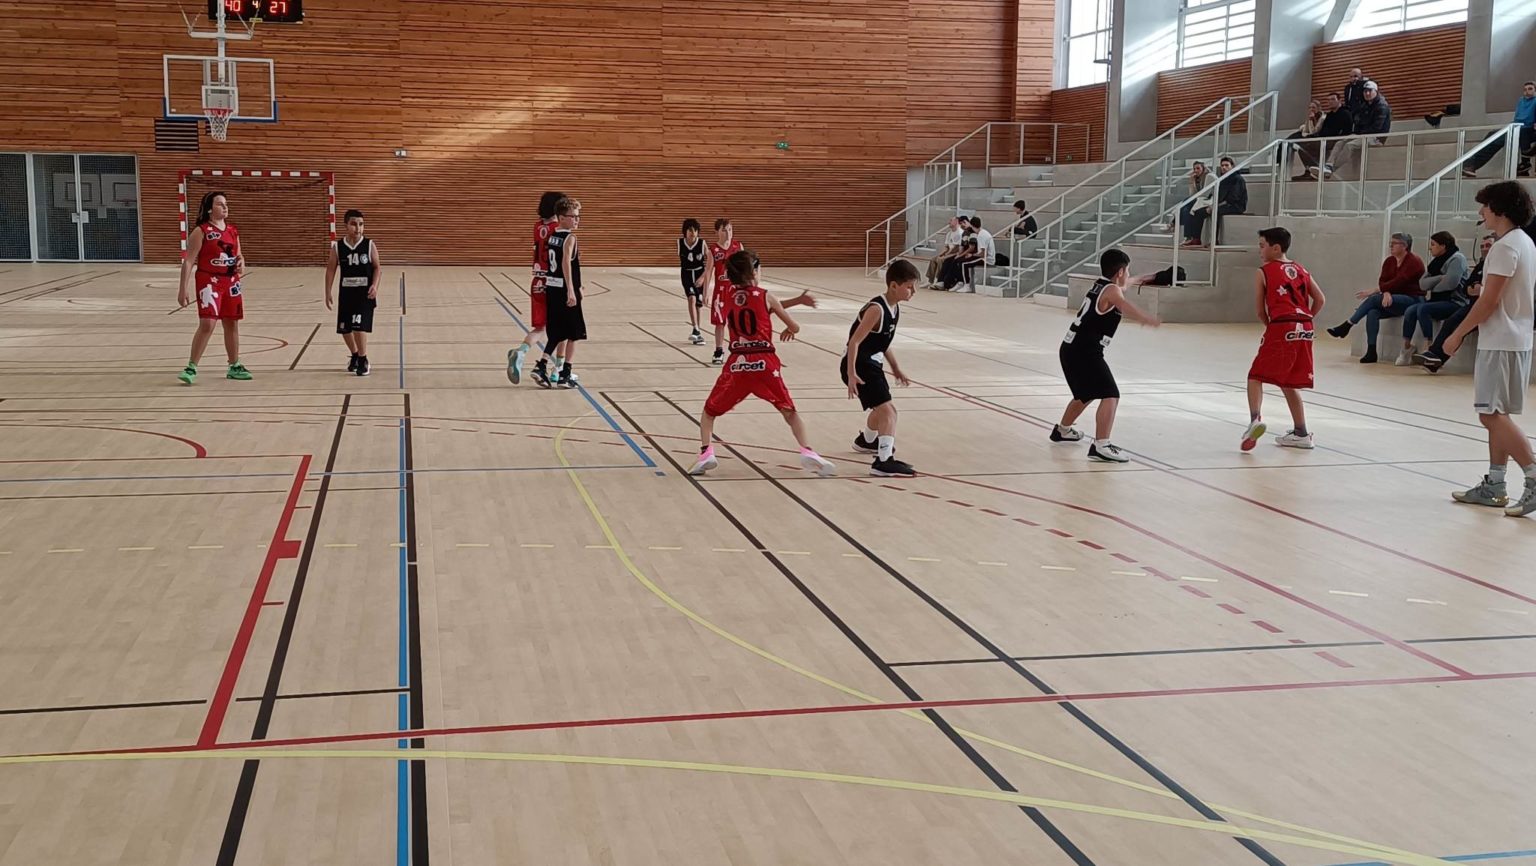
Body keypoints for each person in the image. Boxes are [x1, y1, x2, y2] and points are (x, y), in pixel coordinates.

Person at [689, 249, 836, 478]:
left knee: (709, 413)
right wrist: (791, 325)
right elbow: (789, 322)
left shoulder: (728, 296)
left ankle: (706, 453)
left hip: (737, 363)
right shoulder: (766, 296)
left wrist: (795, 301)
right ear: (753, 272)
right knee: (789, 412)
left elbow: (757, 306)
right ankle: (808, 451)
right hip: (765, 363)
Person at [1442, 181, 1536, 516]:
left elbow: (1488, 301)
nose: (1481, 211)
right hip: (1517, 339)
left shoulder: (1505, 247)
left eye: (1485, 205)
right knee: (1497, 415)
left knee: (1489, 414)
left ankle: (1533, 473)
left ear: (1500, 209)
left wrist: (1457, 334)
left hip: (1500, 341)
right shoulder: (1524, 242)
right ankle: (1495, 485)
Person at [1051, 248, 1161, 464]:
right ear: (1120, 272)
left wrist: (1145, 278)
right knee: (1111, 394)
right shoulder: (1112, 291)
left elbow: (1123, 287)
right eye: (1128, 271)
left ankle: (1062, 430)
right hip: (1085, 351)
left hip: (1071, 348)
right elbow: (1124, 304)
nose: (1129, 275)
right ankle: (1101, 445)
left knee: (1086, 393)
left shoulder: (1102, 285)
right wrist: (1145, 318)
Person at [1243, 227, 1327, 451]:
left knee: (1255, 376)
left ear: (1276, 248)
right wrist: (1306, 319)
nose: (1259, 250)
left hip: (1282, 324)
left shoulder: (1264, 271)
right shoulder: (1301, 269)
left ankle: (1255, 420)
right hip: (1305, 326)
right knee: (1289, 381)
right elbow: (1320, 299)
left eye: (1262, 246)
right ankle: (1301, 433)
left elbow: (1260, 311)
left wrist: (1273, 328)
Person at [844, 259, 919, 477]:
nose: (913, 291)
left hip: (871, 364)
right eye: (909, 286)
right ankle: (883, 461)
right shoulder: (876, 309)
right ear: (894, 285)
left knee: (880, 410)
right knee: (889, 412)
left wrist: (895, 368)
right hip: (860, 365)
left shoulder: (894, 309)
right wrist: (851, 373)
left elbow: (883, 343)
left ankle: (867, 441)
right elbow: (854, 342)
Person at [177, 191, 250, 384]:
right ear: (209, 209)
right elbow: (189, 261)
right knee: (207, 323)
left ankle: (234, 365)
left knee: (231, 323)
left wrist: (241, 262)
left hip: (231, 282)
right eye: (220, 204)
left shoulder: (232, 231)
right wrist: (183, 288)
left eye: (226, 203)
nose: (225, 207)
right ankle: (191, 367)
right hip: (209, 281)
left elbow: (239, 254)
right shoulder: (201, 231)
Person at [1324, 232, 1426, 362]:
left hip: (1412, 299)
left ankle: (1348, 325)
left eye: (1394, 243)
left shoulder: (1414, 261)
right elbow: (1383, 281)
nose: (1391, 246)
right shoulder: (1389, 261)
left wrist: (1377, 291)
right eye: (1390, 243)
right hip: (1393, 299)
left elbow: (1400, 281)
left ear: (1404, 246)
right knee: (1372, 312)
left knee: (1373, 299)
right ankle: (1371, 351)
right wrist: (1386, 292)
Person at [508, 191, 565, 385]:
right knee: (562, 327)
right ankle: (558, 369)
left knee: (540, 327)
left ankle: (521, 351)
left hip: (537, 281)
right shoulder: (558, 229)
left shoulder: (537, 226)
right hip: (553, 282)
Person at [1417, 233, 1494, 372]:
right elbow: (1467, 287)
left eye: (1488, 245)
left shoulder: (1459, 259)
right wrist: (1473, 289)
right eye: (1482, 246)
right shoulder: (1481, 265)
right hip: (1473, 304)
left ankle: (1436, 357)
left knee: (1458, 324)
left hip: (1485, 305)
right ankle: (1434, 355)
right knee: (1450, 321)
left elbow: (1454, 284)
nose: (1484, 249)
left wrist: (1479, 289)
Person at [532, 197, 585, 389]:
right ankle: (565, 374)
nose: (577, 220)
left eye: (578, 217)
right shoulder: (570, 238)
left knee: (557, 331)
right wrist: (572, 289)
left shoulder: (553, 236)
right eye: (573, 217)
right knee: (574, 333)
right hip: (564, 289)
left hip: (552, 288)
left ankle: (542, 365)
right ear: (561, 218)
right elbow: (565, 263)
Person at [324, 209, 381, 377]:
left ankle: (363, 360)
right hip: (346, 293)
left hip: (364, 294)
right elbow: (330, 269)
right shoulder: (338, 247)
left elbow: (377, 267)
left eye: (361, 224)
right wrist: (328, 291)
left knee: (358, 325)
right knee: (344, 328)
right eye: (354, 224)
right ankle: (355, 355)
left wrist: (375, 285)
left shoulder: (369, 245)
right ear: (346, 226)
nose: (358, 228)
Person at [1396, 231, 1468, 365]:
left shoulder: (1457, 259)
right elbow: (1422, 284)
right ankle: (1406, 348)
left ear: (1443, 246)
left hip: (1455, 301)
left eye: (1433, 244)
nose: (1430, 248)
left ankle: (1428, 345)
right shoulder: (1435, 262)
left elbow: (1450, 284)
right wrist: (1440, 278)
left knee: (1423, 309)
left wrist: (1432, 285)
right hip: (1437, 300)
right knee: (1410, 310)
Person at [1462, 81, 1536, 178]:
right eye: (1525, 89)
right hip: (1514, 127)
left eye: (1530, 89)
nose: (1527, 91)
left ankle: (1471, 165)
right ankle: (1471, 164)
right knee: (1492, 134)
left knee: (1497, 140)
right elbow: (1517, 117)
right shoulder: (1521, 101)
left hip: (1526, 129)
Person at [1330, 80, 1391, 180]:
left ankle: (1333, 168)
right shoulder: (1364, 105)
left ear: (1376, 91)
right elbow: (1358, 122)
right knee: (1340, 142)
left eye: (1370, 91)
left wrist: (1360, 133)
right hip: (1363, 134)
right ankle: (1328, 165)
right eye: (1365, 91)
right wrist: (1357, 132)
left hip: (1376, 137)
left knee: (1350, 145)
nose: (1367, 93)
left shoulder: (1382, 106)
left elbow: (1377, 128)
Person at [1182, 156, 1246, 247]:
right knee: (1198, 211)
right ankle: (1196, 238)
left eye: (1226, 165)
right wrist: (1212, 204)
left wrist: (1215, 206)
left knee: (1215, 211)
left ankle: (1214, 240)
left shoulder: (1237, 179)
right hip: (1222, 203)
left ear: (1232, 166)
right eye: (1222, 165)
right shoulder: (1222, 179)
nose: (1224, 167)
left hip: (1235, 205)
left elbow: (1233, 198)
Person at [704, 218, 744, 364]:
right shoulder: (713, 250)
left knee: (737, 322)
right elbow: (708, 272)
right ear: (717, 232)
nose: (728, 233)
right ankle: (719, 351)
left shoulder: (738, 246)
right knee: (720, 322)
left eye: (730, 230)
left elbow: (745, 268)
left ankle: (738, 348)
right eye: (724, 230)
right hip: (720, 291)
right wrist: (706, 293)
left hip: (736, 291)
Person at [1297, 93, 1355, 180]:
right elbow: (1323, 131)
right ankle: (1312, 170)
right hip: (1325, 138)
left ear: (1339, 100)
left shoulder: (1346, 113)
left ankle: (1319, 170)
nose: (1330, 102)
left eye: (1333, 99)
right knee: (1302, 147)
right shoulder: (1329, 115)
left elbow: (1347, 130)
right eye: (1328, 100)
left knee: (1308, 146)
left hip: (1337, 139)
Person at [679, 218, 709, 344]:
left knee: (698, 305)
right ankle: (695, 329)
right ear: (685, 232)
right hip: (686, 274)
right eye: (690, 230)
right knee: (691, 298)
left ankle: (698, 333)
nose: (693, 233)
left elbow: (710, 263)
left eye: (695, 231)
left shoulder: (702, 244)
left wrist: (703, 277)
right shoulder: (680, 243)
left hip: (698, 274)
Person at [1279, 100, 1323, 169]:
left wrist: (1313, 119)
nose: (1311, 109)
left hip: (1314, 137)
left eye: (1313, 107)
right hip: (1305, 134)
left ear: (1319, 108)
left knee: (1299, 146)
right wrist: (1309, 120)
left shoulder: (1322, 118)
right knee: (1284, 142)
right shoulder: (1309, 117)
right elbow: (1305, 130)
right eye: (1310, 107)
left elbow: (1314, 132)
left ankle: (1309, 168)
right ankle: (1280, 162)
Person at [925, 216, 965, 288]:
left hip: (955, 253)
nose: (949, 222)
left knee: (941, 260)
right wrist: (940, 254)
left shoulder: (959, 233)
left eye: (951, 220)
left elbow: (956, 248)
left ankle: (939, 280)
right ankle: (930, 281)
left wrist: (946, 255)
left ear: (956, 222)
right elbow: (946, 247)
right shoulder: (949, 233)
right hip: (949, 252)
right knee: (934, 259)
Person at [1171, 161, 1212, 231]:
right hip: (1199, 200)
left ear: (1203, 169)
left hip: (1208, 200)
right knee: (1186, 210)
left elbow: (1205, 194)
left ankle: (1173, 223)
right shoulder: (1197, 179)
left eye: (1198, 168)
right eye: (1194, 169)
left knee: (1186, 201)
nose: (1196, 170)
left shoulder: (1209, 176)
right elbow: (1192, 195)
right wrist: (1191, 182)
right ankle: (1186, 235)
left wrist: (1195, 197)